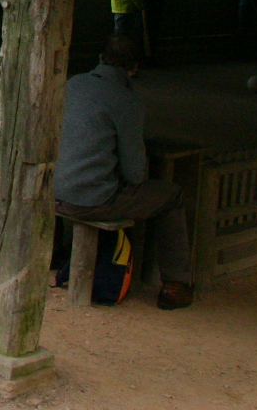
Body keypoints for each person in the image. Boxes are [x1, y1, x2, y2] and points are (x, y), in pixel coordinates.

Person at [55, 34, 195, 310]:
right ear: (134, 67)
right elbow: (135, 173)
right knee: (171, 196)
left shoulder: (72, 84)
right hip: (90, 201)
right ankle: (175, 285)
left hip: (54, 191)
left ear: (100, 58)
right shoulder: (127, 101)